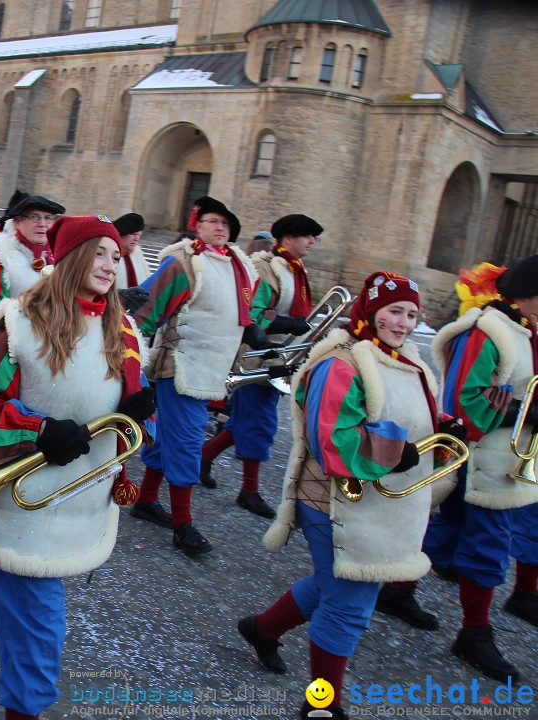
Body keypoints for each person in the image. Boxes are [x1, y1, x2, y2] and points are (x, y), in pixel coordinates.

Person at [0, 215, 155, 720]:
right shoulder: (19, 323)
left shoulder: (124, 330)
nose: (109, 265)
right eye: (98, 253)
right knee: (39, 625)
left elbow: (130, 417)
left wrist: (140, 410)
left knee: (13, 593)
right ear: (72, 256)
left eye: (116, 256)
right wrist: (40, 430)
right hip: (21, 502)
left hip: (82, 501)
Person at [239, 271, 456, 720]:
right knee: (349, 605)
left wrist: (444, 425)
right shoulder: (341, 362)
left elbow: (404, 412)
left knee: (337, 585)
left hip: (375, 502)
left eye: (412, 314)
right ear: (372, 310)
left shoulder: (401, 358)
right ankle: (323, 705)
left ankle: (262, 629)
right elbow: (333, 440)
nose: (403, 322)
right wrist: (399, 454)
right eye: (395, 311)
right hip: (333, 501)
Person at [126, 196, 274, 556]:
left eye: (224, 222)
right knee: (189, 444)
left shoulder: (238, 264)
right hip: (180, 367)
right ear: (197, 224)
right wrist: (128, 364)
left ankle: (146, 500)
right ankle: (183, 524)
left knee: (169, 442)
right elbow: (145, 313)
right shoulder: (183, 263)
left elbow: (237, 311)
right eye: (211, 221)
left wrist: (254, 331)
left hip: (211, 369)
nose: (219, 226)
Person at [416, 255, 538, 681]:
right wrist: (526, 413)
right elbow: (470, 397)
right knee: (487, 544)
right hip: (484, 456)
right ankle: (474, 633)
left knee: (449, 530)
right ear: (528, 296)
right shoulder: (488, 331)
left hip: (504, 455)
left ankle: (396, 589)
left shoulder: (523, 329)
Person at [199, 214, 322, 518]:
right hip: (258, 357)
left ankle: (203, 457)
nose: (312, 242)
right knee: (260, 423)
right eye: (307, 236)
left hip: (279, 356)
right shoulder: (267, 268)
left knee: (245, 419)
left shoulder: (296, 270)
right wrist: (287, 322)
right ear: (289, 238)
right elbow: (251, 311)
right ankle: (249, 491)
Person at [0, 194, 65, 331]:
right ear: (18, 222)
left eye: (48, 218)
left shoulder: (56, 259)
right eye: (34, 217)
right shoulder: (1, 257)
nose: (43, 224)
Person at [113, 212, 151, 291]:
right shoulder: (110, 256)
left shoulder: (138, 257)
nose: (137, 238)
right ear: (123, 233)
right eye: (134, 234)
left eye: (139, 235)